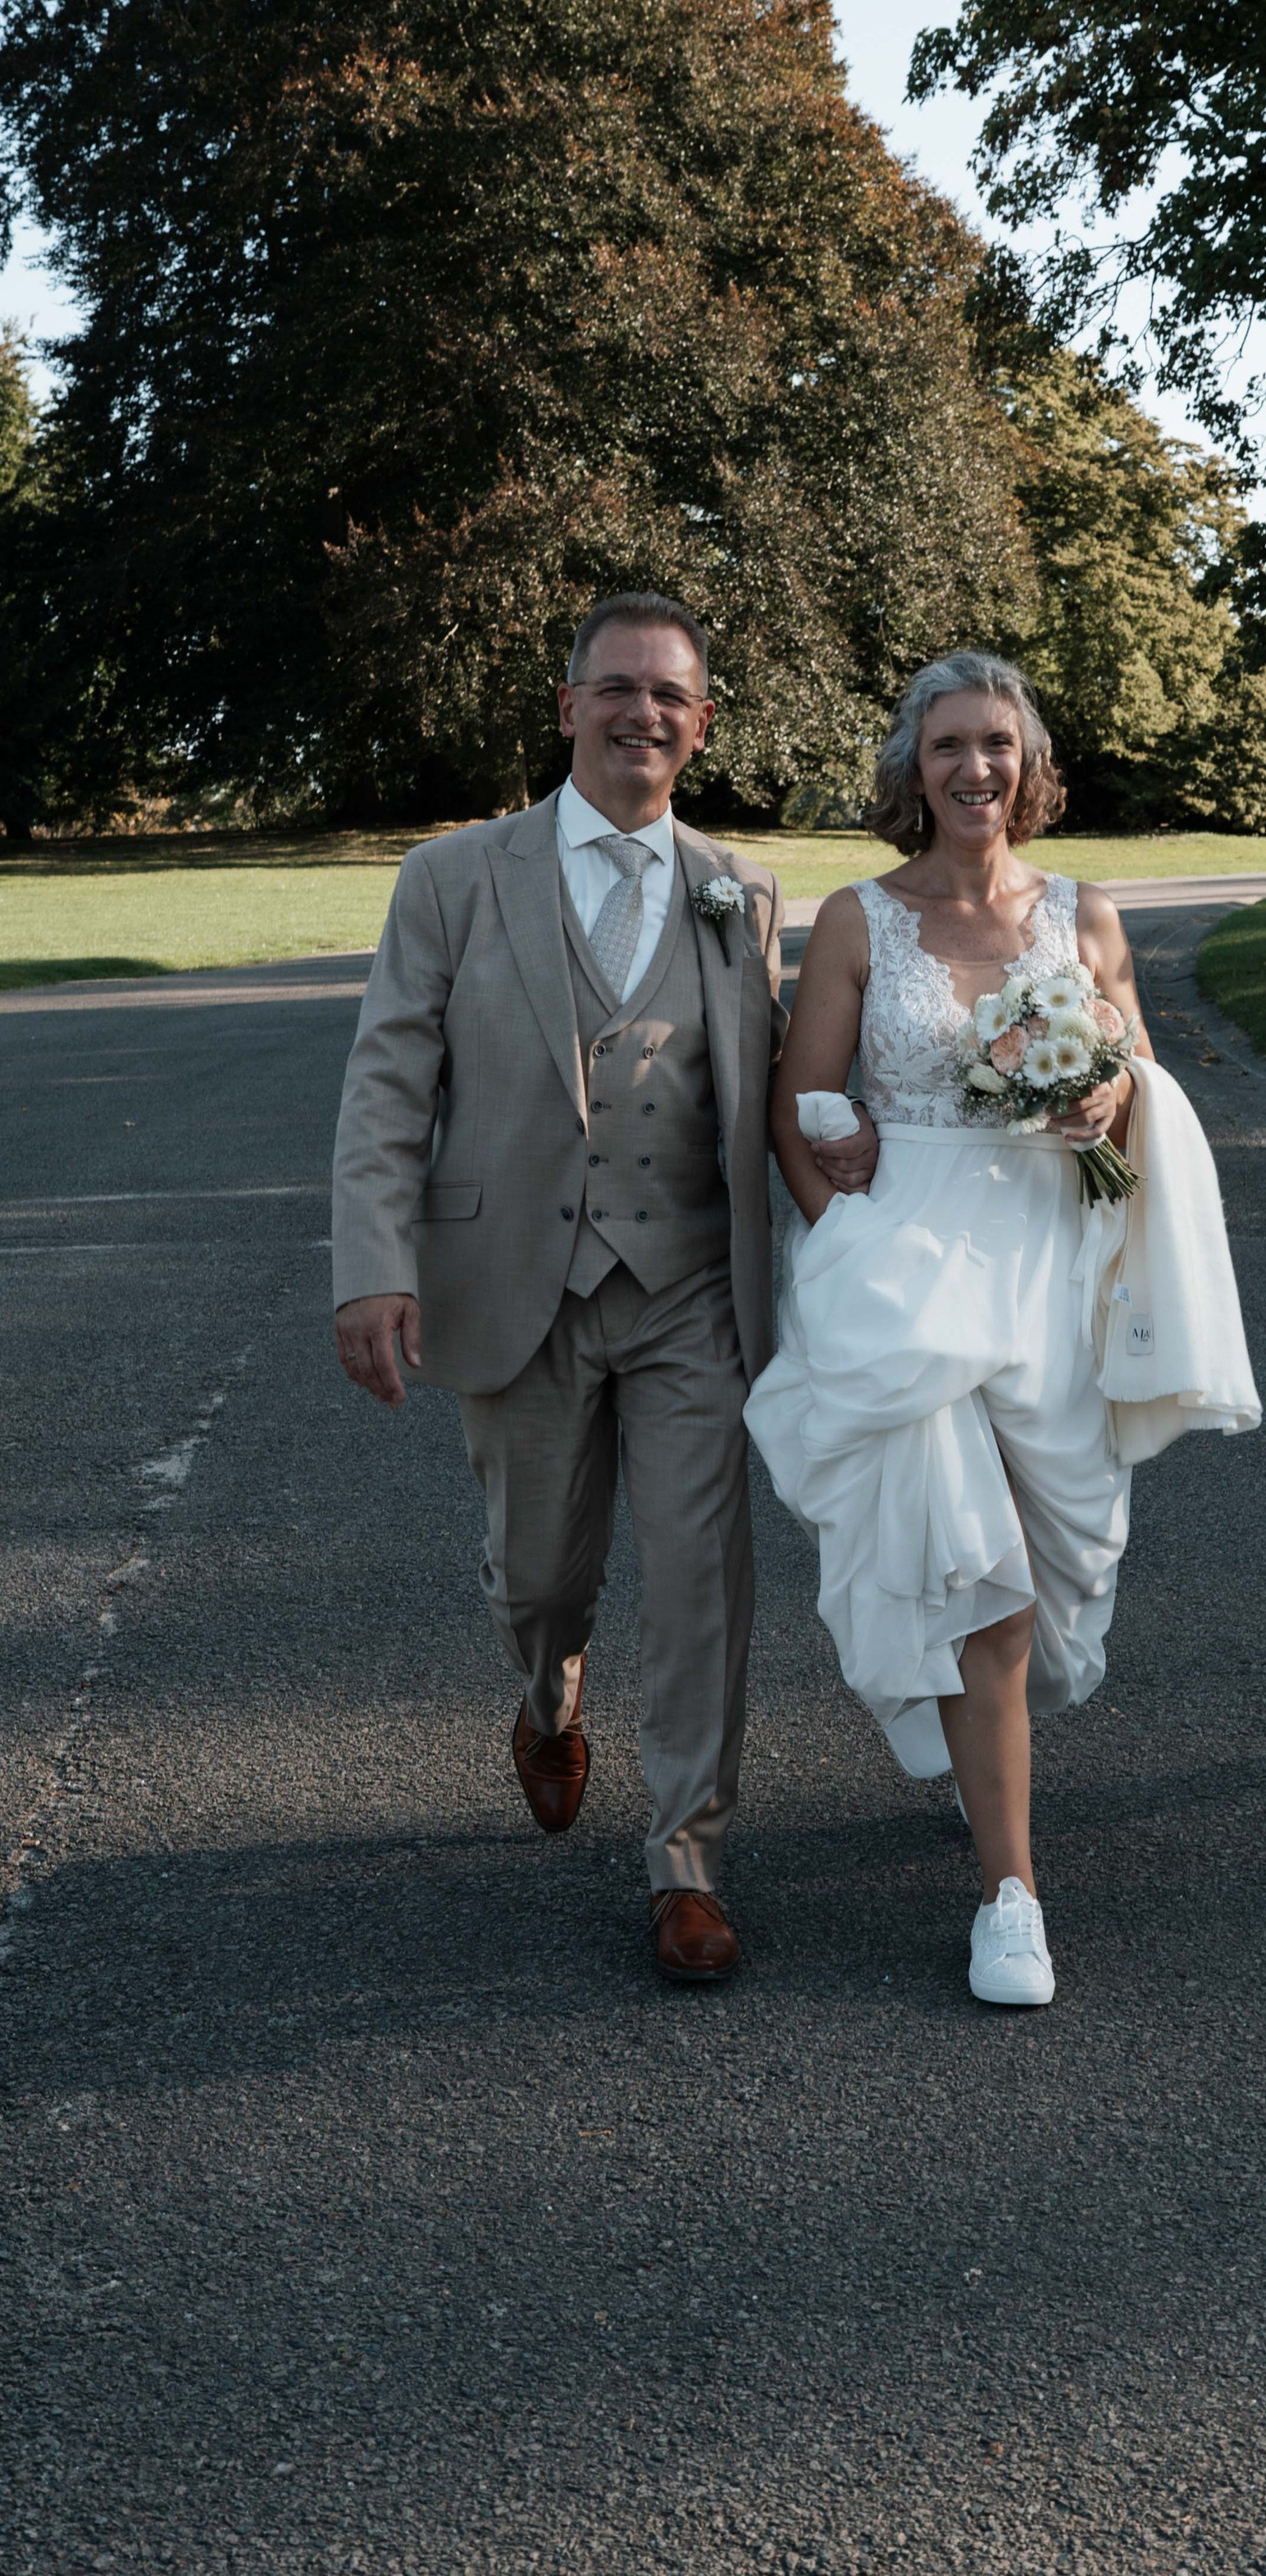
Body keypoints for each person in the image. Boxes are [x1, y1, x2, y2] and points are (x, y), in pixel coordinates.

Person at [330, 594, 874, 1982]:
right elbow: (391, 1083)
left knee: (703, 1584)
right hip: (518, 1282)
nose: (644, 713)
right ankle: (546, 1685)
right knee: (539, 1574)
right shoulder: (454, 876)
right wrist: (374, 1269)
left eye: (671, 695)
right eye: (617, 688)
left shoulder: (740, 888)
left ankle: (684, 1856)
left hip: (693, 1289)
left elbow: (773, 1089)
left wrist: (862, 1173)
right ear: (567, 706)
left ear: (703, 724)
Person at [745, 650, 1258, 2008]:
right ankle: (1011, 1897)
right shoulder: (859, 921)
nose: (978, 768)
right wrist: (840, 1239)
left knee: (1043, 1559)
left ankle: (982, 1785)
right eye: (951, 745)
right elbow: (797, 1107)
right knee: (986, 1584)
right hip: (905, 1266)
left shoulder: (1085, 916)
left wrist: (1111, 1103)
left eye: (999, 745)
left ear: (1031, 766)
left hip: (1048, 1271)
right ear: (915, 767)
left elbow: (1136, 1076)